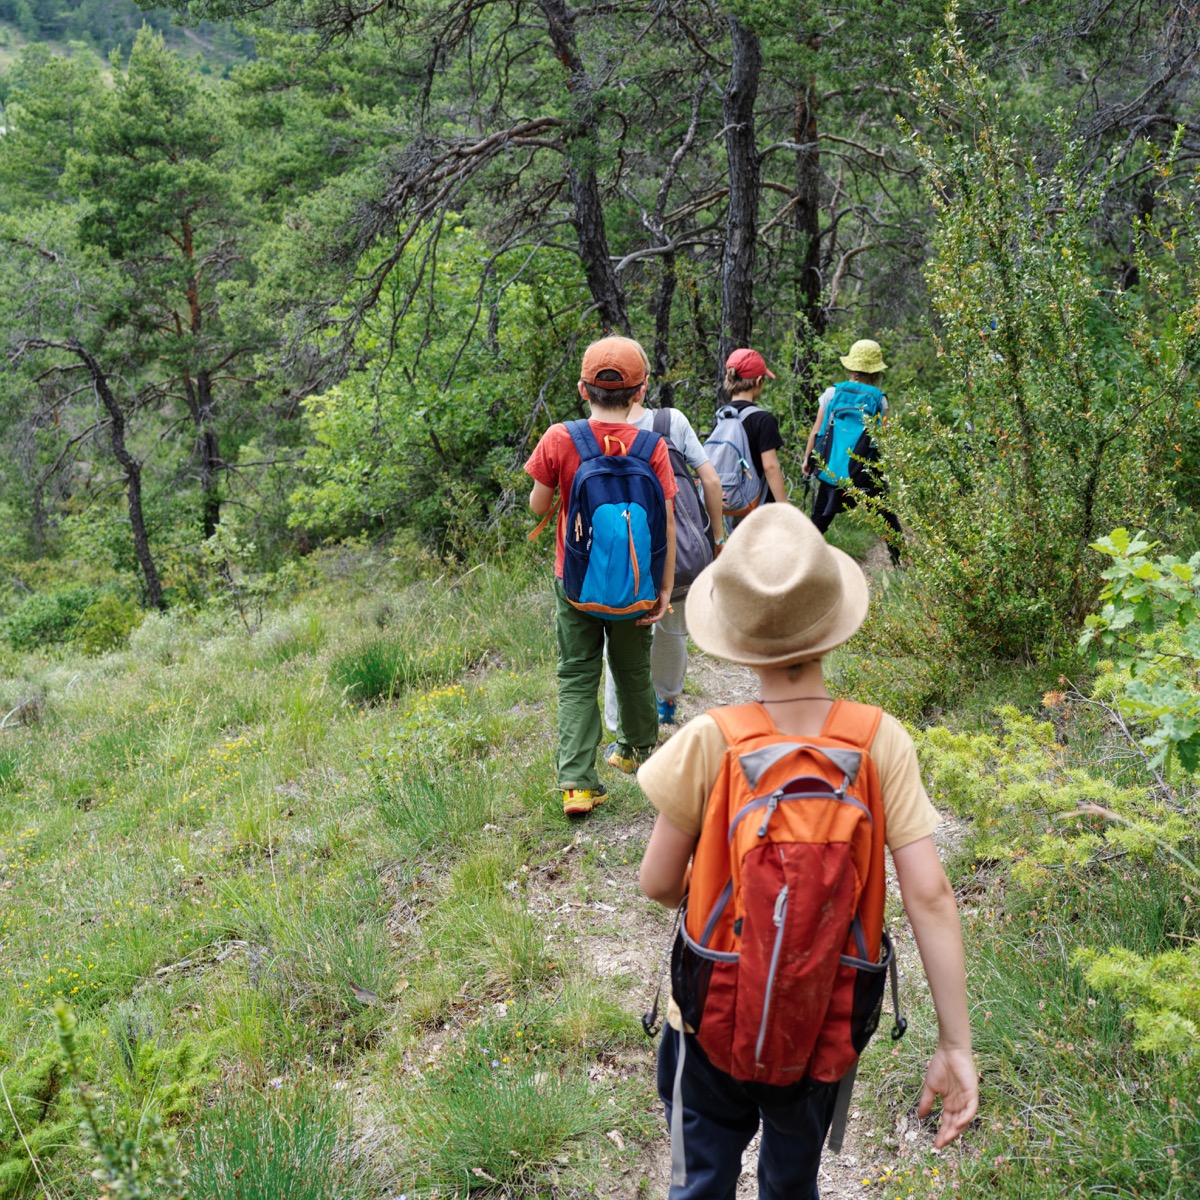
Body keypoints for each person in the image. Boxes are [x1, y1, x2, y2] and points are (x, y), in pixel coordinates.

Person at [637, 504, 978, 1199]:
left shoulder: (710, 739)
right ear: (832, 628)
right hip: (826, 1016)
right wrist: (955, 1044)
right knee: (792, 1181)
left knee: (699, 1178)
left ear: (734, 639)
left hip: (708, 1017)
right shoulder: (880, 741)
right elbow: (930, 896)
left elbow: (657, 882)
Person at [526, 335, 678, 816]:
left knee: (576, 673)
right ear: (641, 392)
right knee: (633, 669)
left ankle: (577, 782)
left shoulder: (559, 438)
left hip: (574, 582)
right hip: (637, 585)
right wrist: (665, 588)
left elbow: (538, 505)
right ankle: (634, 751)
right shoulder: (653, 445)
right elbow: (666, 523)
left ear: (582, 389)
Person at [603, 392, 725, 728]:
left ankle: (618, 725)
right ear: (641, 387)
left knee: (618, 638)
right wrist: (717, 539)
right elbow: (710, 481)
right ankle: (666, 697)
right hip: (679, 550)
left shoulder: (592, 431)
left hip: (620, 552)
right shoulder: (670, 422)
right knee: (672, 626)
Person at [802, 338, 903, 565]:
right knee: (886, 517)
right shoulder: (880, 399)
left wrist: (808, 460)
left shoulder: (831, 393)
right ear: (875, 370)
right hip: (864, 471)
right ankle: (900, 564)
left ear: (850, 367)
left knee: (819, 518)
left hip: (832, 467)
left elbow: (816, 431)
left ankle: (801, 561)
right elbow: (881, 440)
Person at [721, 348, 788, 519]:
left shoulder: (721, 416)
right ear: (759, 381)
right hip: (760, 505)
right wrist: (785, 509)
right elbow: (770, 466)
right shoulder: (763, 419)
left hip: (731, 501)